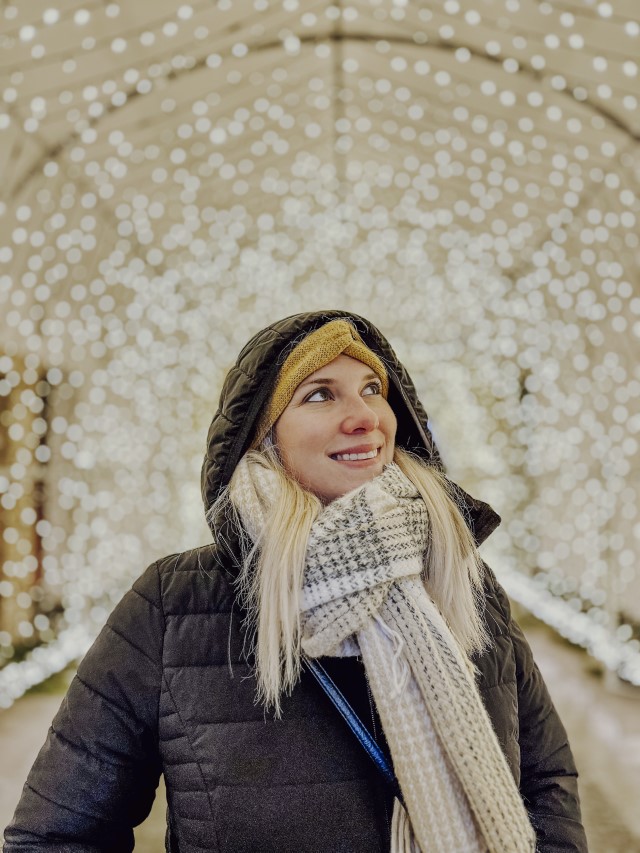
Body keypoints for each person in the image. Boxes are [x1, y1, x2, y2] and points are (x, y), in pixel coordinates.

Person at [4, 310, 587, 852]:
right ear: (263, 437)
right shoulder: (174, 603)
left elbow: (544, 782)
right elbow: (58, 834)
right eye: (319, 395)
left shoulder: (462, 582)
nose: (363, 417)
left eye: (372, 390)